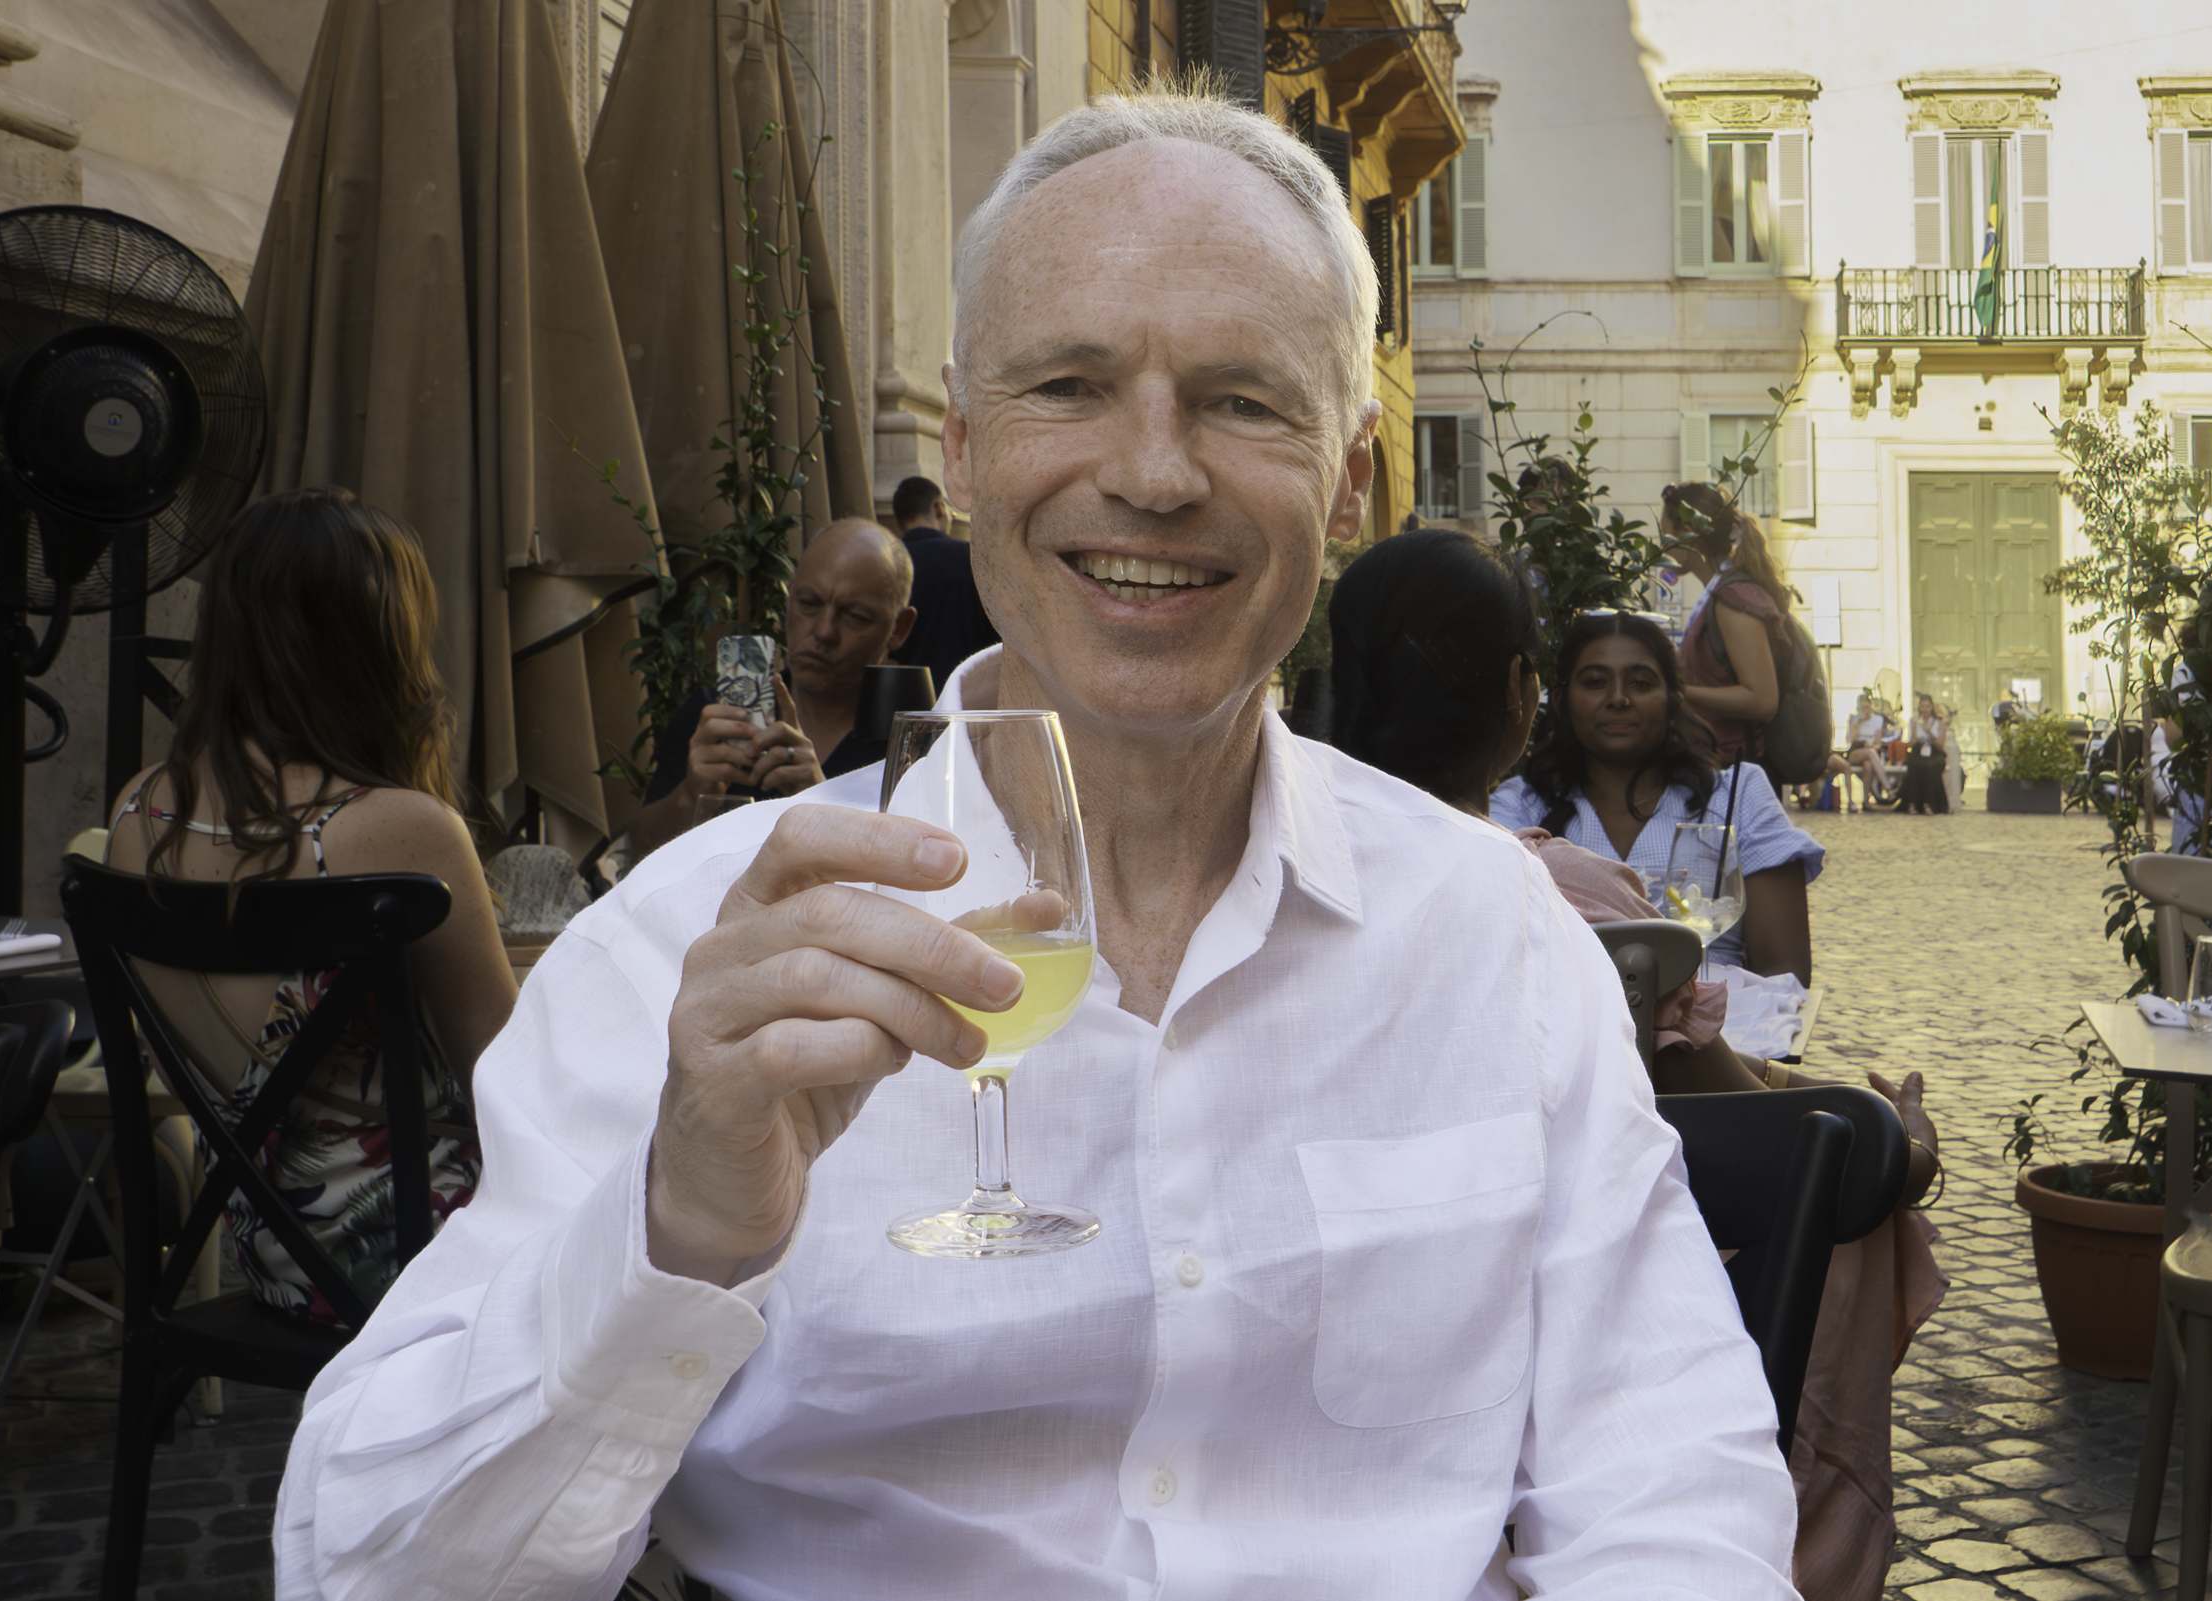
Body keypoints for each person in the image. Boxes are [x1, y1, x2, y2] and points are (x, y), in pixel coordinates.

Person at [276, 89, 1804, 1600]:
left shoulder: (1490, 931)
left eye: (1244, 399)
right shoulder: (693, 950)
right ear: (964, 440)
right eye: (1067, 386)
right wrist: (673, 1236)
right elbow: (368, 1568)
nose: (1153, 471)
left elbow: (1667, 1476)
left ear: (1345, 482)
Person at [1329, 530, 1947, 1601]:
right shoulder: (1539, 888)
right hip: (1583, 1268)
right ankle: (1816, 1525)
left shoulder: (1251, 895)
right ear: (1528, 698)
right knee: (1855, 1163)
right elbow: (1713, 1097)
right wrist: (1880, 1139)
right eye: (1589, 680)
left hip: (1359, 1355)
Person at [102, 487, 514, 1323]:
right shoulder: (402, 827)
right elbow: (512, 1077)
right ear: (379, 643)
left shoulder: (136, 814)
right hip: (423, 1255)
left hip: (273, 1254)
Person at [1491, 610, 1823, 983]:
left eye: (1641, 683)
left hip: (1722, 1034)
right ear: (1564, 699)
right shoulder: (1518, 808)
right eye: (1596, 681)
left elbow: (1785, 975)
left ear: (1674, 699)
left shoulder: (1737, 797)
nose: (1618, 698)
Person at [626, 519, 916, 860]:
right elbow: (640, 856)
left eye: (854, 616)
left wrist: (819, 800)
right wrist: (690, 796)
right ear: (788, 597)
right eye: (809, 603)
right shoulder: (715, 719)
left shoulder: (914, 743)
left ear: (898, 629)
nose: (823, 631)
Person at [1662, 481, 1792, 766]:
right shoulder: (1721, 592)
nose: (1663, 546)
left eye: (1666, 535)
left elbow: (1762, 700)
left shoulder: (1734, 597)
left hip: (1737, 774)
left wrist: (1677, 691)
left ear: (1689, 534)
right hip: (1717, 765)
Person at [886, 473, 999, 692]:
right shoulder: (972, 558)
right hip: (966, 697)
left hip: (905, 700)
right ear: (939, 508)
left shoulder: (885, 564)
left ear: (899, 523)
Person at [1897, 693, 1950, 816]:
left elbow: (1940, 745)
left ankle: (1930, 803)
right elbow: (1911, 741)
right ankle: (1913, 803)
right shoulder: (1915, 721)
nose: (1925, 710)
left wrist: (1929, 732)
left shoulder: (1939, 722)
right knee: (1915, 766)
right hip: (1919, 750)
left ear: (1931, 708)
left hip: (1934, 751)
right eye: (1923, 706)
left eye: (1927, 706)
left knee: (1931, 768)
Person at [1842, 692, 1893, 808]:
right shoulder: (1854, 719)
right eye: (1862, 708)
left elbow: (1878, 743)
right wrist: (1859, 722)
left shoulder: (1877, 720)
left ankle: (1865, 800)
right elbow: (1850, 740)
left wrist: (1872, 746)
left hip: (1871, 750)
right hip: (1856, 750)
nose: (1865, 710)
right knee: (1870, 753)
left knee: (1868, 766)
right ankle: (1887, 787)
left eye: (1867, 707)